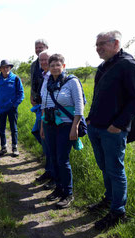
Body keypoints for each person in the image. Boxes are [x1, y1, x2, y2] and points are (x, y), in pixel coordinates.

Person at [86, 30, 135, 230]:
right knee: (104, 167)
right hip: (96, 127)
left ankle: (118, 212)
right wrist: (90, 118)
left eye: (101, 44)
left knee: (115, 170)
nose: (98, 48)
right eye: (96, 45)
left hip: (113, 130)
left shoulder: (128, 64)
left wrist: (119, 124)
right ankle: (109, 199)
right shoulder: (104, 66)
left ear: (116, 43)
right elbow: (98, 95)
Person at [40, 54, 84, 209]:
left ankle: (68, 193)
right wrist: (42, 126)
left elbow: (79, 105)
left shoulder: (72, 81)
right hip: (49, 124)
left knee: (62, 159)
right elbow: (43, 106)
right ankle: (58, 188)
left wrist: (75, 126)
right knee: (52, 157)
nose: (54, 68)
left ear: (64, 66)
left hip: (66, 125)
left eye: (58, 64)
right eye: (52, 65)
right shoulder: (47, 82)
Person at [0, 60, 24, 157]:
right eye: (3, 67)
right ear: (0, 69)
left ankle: (14, 147)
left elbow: (21, 94)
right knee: (1, 129)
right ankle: (3, 147)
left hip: (12, 109)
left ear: (10, 68)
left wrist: (15, 104)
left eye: (7, 67)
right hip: (0, 109)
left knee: (14, 128)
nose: (6, 69)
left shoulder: (16, 79)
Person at [34, 50, 55, 189]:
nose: (43, 63)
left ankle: (54, 176)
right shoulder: (44, 76)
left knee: (52, 147)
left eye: (45, 60)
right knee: (40, 135)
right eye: (40, 60)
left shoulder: (55, 75)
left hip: (55, 117)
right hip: (44, 114)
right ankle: (49, 171)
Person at [30, 39, 49, 106]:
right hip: (37, 100)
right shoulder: (33, 65)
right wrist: (31, 96)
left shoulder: (54, 63)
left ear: (47, 48)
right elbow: (32, 81)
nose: (38, 49)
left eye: (40, 47)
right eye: (36, 48)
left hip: (50, 100)